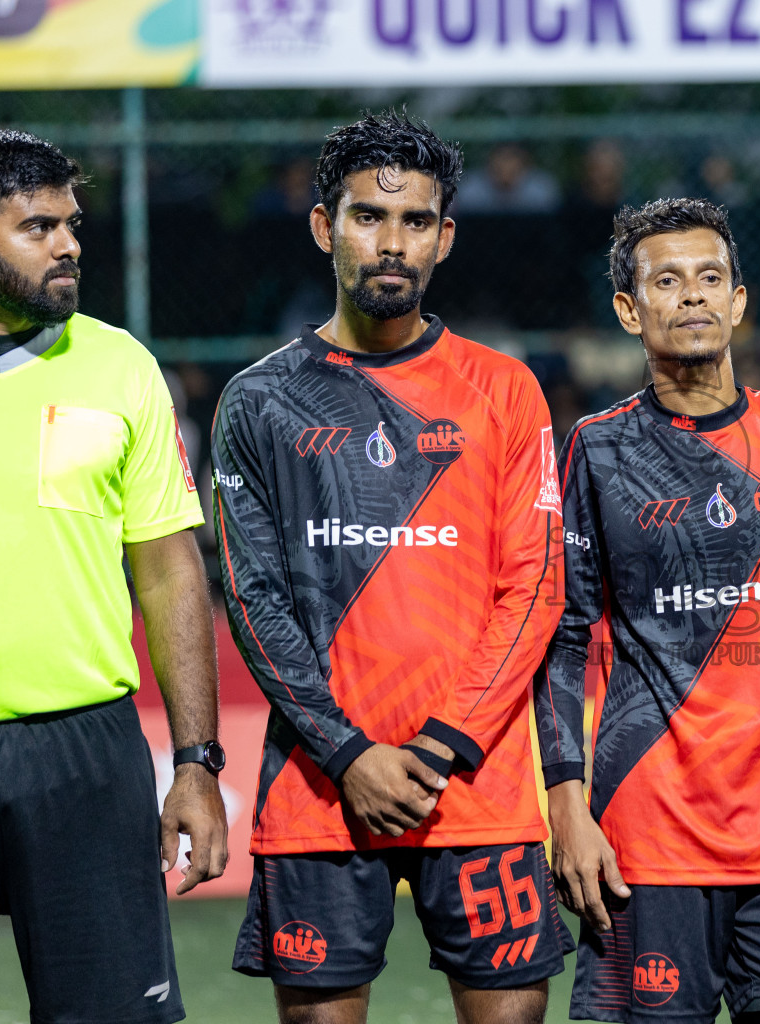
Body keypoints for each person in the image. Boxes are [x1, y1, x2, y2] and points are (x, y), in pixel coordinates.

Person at [212, 111, 571, 1024]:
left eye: (415, 221)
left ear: (444, 238)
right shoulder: (258, 399)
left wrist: (442, 744)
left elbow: (532, 588)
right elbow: (254, 599)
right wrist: (348, 752)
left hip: (477, 781)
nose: (392, 242)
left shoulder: (505, 387)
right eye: (369, 216)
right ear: (325, 227)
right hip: (323, 786)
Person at [535, 197, 760, 1024]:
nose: (692, 296)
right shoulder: (597, 449)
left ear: (737, 301)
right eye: (666, 280)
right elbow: (561, 638)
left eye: (709, 278)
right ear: (630, 309)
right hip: (648, 845)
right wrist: (566, 806)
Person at [0, 129, 228, 1024]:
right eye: (38, 227)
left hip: (85, 755)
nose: (69, 244)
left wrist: (197, 762)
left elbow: (172, 574)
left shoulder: (120, 365)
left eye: (72, 223)